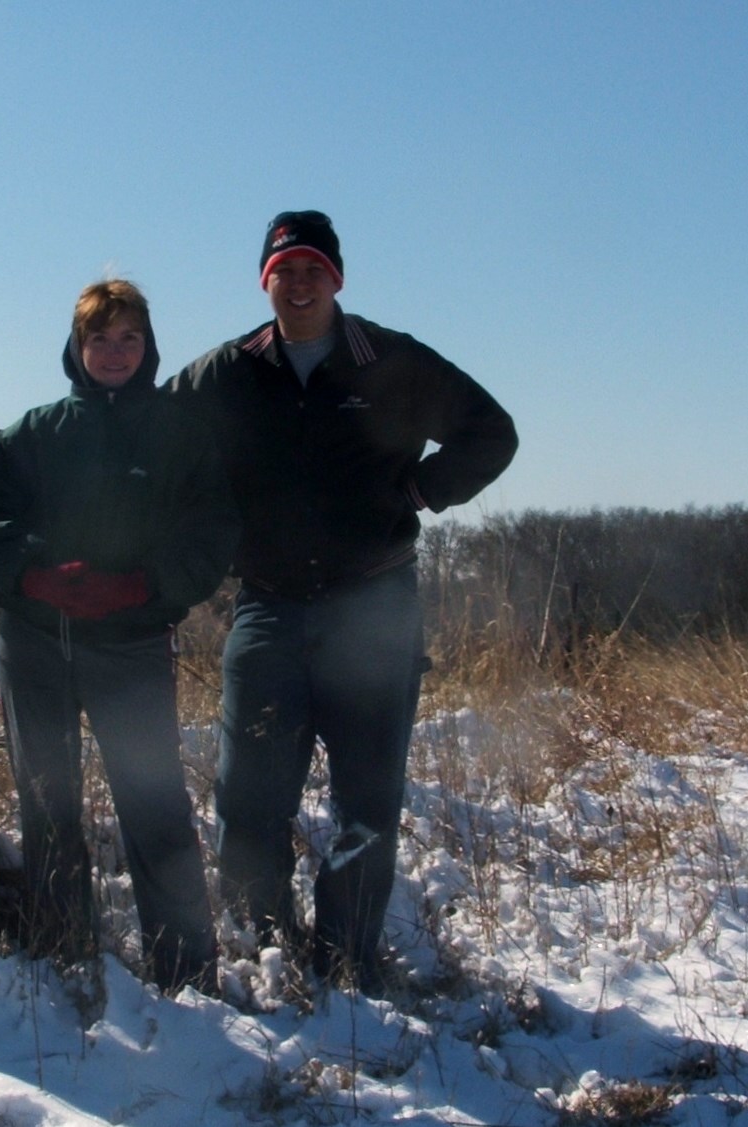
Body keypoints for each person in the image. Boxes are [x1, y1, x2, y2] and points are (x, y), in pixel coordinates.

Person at [167, 210, 518, 993]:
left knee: (366, 798)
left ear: (336, 278)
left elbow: (490, 431)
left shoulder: (389, 362)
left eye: (312, 270)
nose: (297, 284)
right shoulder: (229, 371)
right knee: (248, 796)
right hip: (267, 608)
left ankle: (347, 958)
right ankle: (265, 947)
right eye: (283, 270)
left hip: (373, 608)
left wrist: (424, 487)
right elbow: (143, 434)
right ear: (266, 281)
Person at [0, 280, 237, 992]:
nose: (113, 353)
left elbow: (209, 535)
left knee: (154, 805)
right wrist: (33, 575)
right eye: (98, 339)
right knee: (47, 803)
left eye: (128, 339)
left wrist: (145, 585)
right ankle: (61, 959)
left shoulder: (179, 435)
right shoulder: (36, 432)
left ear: (147, 348)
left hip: (132, 644)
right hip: (34, 643)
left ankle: (186, 971)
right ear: (75, 348)